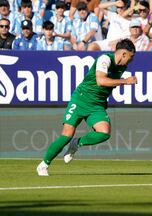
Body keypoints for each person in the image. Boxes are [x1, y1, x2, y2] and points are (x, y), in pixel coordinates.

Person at [36, 39, 138, 176]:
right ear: (124, 54)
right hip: (81, 99)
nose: (132, 60)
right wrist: (125, 81)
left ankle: (76, 143)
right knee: (66, 134)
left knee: (104, 133)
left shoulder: (123, 66)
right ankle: (44, 165)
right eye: (131, 57)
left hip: (97, 104)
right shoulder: (105, 59)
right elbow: (101, 81)